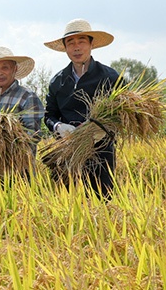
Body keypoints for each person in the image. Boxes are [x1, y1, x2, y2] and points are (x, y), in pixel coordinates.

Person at [44, 18, 120, 199]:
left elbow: (124, 114)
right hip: (66, 153)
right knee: (67, 207)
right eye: (71, 43)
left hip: (101, 153)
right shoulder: (58, 81)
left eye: (81, 41)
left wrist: (102, 130)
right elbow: (49, 115)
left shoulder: (109, 77)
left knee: (102, 204)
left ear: (91, 44)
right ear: (65, 48)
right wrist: (58, 127)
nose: (76, 47)